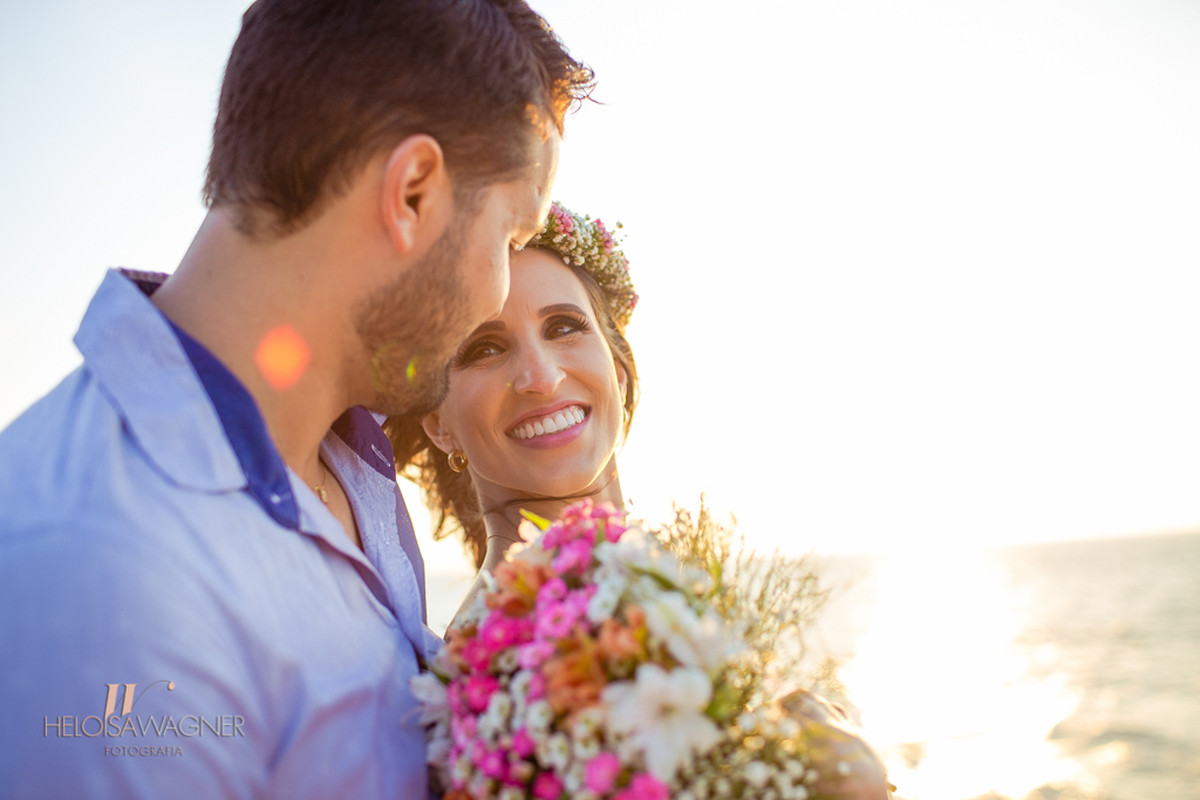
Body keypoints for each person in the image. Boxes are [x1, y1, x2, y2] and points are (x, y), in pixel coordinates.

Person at [0, 1, 592, 797]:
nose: (497, 295)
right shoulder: (103, 582)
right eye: (511, 239)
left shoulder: (343, 453)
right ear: (412, 191)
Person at [388, 202, 893, 798]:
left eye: (563, 327)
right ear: (439, 424)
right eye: (484, 349)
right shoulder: (512, 656)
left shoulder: (666, 586)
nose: (541, 376)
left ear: (620, 370)